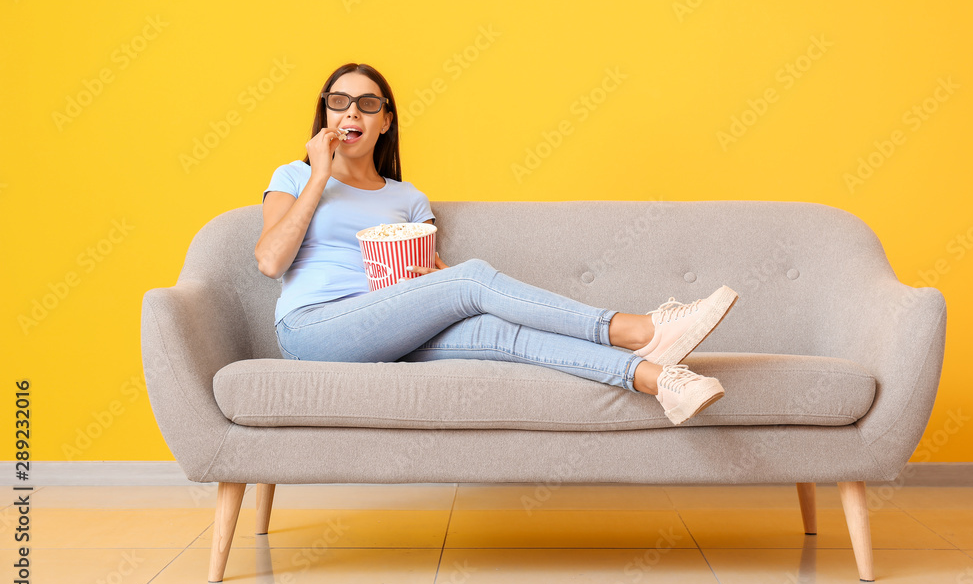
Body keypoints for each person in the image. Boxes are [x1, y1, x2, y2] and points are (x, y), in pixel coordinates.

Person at [255, 62, 739, 425]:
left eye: (368, 103)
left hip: (392, 327)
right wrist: (319, 174)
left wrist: (438, 280)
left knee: (499, 332)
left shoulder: (409, 198)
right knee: (472, 278)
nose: (352, 112)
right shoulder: (295, 176)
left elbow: (437, 279)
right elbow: (271, 261)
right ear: (324, 113)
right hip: (314, 329)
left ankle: (660, 381)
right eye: (339, 102)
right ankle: (638, 329)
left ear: (386, 121)